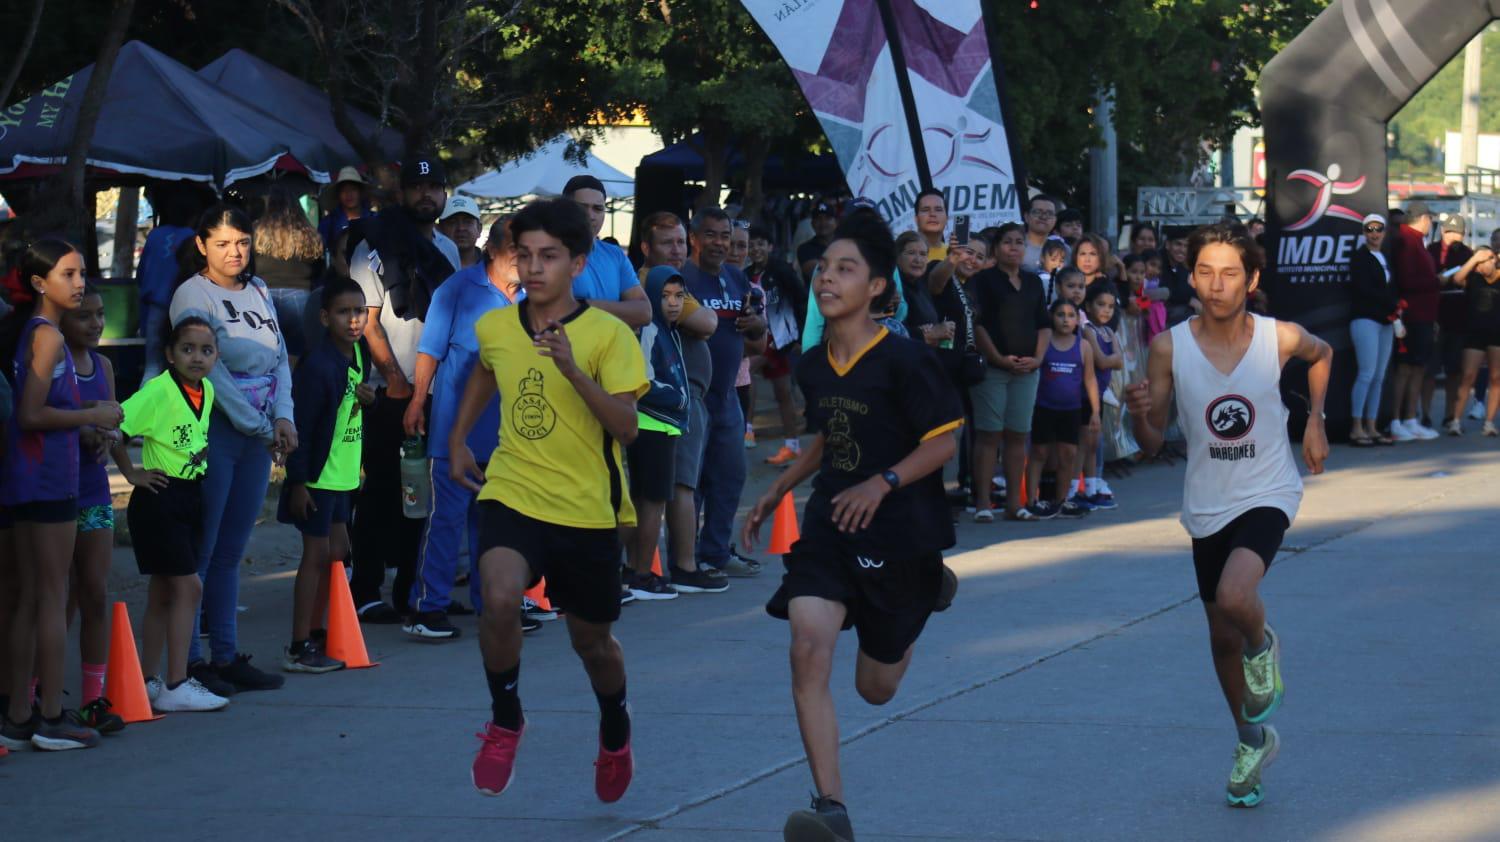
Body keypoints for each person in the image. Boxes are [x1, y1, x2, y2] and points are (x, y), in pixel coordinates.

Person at [740, 211, 963, 842]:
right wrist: (779, 488)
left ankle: (927, 587)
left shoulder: (907, 361)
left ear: (877, 287)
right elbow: (829, 435)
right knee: (807, 648)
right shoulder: (813, 365)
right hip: (831, 524)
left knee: (875, 689)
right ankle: (830, 809)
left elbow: (943, 442)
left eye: (846, 269)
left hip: (901, 532)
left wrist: (883, 481)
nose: (827, 278)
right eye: (823, 268)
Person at [1125, 222, 1331, 809]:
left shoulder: (1278, 338)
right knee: (1220, 637)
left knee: (1237, 597)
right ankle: (1251, 740)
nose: (1217, 285)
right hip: (1207, 502)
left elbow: (1323, 353)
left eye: (1230, 273)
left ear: (1251, 279)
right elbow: (1151, 443)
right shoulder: (1169, 348)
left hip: (1268, 490)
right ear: (1192, 278)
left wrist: (1315, 420)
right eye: (1206, 272)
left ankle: (1263, 646)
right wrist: (1138, 414)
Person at [448, 197, 646, 801]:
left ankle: (615, 725)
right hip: (513, 489)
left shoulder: (609, 335)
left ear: (577, 264)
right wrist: (458, 439)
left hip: (587, 508)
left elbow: (627, 428)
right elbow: (486, 369)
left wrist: (573, 371)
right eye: (525, 255)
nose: (534, 268)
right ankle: (506, 719)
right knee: (498, 596)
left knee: (592, 643)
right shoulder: (497, 327)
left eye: (549, 256)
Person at [168, 205, 297, 696]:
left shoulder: (259, 289)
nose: (234, 252)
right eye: (222, 244)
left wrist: (283, 417)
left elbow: (279, 358)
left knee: (230, 551)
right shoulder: (192, 294)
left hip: (258, 433)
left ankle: (225, 655)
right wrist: (260, 425)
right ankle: (189, 662)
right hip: (216, 431)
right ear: (202, 245)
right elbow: (211, 371)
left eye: (242, 242)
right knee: (202, 551)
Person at [0, 240, 122, 752]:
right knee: (50, 597)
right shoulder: (47, 335)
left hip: (34, 479)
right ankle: (50, 715)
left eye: (81, 273)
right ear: (38, 283)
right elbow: (30, 414)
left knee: (31, 597)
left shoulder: (38, 333)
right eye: (67, 274)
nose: (78, 283)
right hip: (46, 480)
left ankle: (19, 712)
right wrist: (92, 415)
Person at [346, 153, 461, 624]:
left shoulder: (449, 250)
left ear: (444, 193)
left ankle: (414, 589)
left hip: (437, 390)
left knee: (426, 496)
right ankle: (365, 589)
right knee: (381, 491)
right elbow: (366, 321)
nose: (426, 195)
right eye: (417, 187)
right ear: (402, 193)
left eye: (434, 188)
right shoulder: (373, 243)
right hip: (389, 391)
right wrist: (395, 380)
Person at [403, 217, 527, 636]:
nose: (522, 259)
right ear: (492, 249)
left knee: (496, 526)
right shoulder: (456, 288)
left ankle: (494, 603)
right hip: (454, 433)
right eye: (515, 250)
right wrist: (417, 401)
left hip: (509, 437)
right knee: (446, 521)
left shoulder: (531, 296)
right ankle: (427, 609)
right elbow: (430, 351)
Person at [111, 317, 229, 713]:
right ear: (170, 354)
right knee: (189, 588)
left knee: (164, 591)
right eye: (187, 349)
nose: (197, 357)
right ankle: (177, 683)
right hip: (159, 498)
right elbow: (115, 428)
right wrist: (131, 473)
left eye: (206, 350)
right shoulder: (158, 390)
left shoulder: (207, 390)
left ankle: (148, 681)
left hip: (190, 497)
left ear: (216, 356)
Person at [278, 279, 374, 672]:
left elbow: (352, 405)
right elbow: (301, 426)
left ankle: (318, 631)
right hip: (317, 479)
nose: (353, 320)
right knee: (315, 555)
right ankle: (299, 644)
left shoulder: (360, 353)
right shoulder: (317, 366)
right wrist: (298, 482)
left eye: (359, 311)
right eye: (343, 312)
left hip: (343, 475)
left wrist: (369, 399)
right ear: (324, 317)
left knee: (337, 551)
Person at [633, 213, 725, 594]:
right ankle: (672, 568)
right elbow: (707, 323)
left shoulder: (671, 283)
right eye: (667, 243)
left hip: (683, 403)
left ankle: (660, 568)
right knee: (674, 487)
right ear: (646, 247)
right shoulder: (651, 285)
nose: (677, 250)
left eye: (681, 242)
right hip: (666, 408)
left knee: (674, 486)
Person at [682, 208, 768, 578]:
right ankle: (685, 559)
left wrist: (758, 323)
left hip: (728, 395)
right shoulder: (681, 277)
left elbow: (757, 340)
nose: (720, 243)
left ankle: (716, 553)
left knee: (730, 477)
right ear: (694, 238)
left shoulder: (736, 278)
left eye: (725, 236)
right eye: (711, 235)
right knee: (691, 482)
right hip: (691, 396)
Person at [61, 289, 125, 734]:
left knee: (95, 592)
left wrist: (107, 438)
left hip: (95, 493)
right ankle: (38, 693)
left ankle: (92, 698)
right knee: (58, 597)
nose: (96, 323)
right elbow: (41, 416)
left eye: (100, 315)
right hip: (56, 494)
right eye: (84, 316)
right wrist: (83, 424)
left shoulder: (103, 366)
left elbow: (114, 420)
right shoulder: (55, 364)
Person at [969, 223, 1050, 522]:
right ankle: (982, 503)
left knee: (1018, 435)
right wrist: (998, 358)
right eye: (1007, 242)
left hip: (1027, 369)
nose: (1014, 247)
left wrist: (1038, 358)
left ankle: (1015, 504)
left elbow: (1044, 324)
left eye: (1019, 242)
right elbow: (977, 325)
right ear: (996, 248)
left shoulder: (1033, 282)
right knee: (989, 434)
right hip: (993, 368)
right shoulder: (982, 280)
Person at [623, 266, 693, 601]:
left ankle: (633, 570)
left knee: (643, 502)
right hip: (653, 425)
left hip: (659, 425)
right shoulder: (649, 330)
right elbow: (642, 380)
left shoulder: (667, 330)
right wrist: (678, 398)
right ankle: (641, 575)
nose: (673, 303)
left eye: (679, 296)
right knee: (651, 504)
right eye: (665, 296)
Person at [1022, 299, 1100, 520]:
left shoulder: (1083, 346)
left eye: (1070, 315)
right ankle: (1032, 501)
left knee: (1069, 454)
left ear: (1077, 319)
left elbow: (1090, 379)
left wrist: (1095, 411)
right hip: (1044, 407)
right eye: (1060, 315)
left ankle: (1061, 501)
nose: (1066, 320)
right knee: (1039, 453)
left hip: (1071, 410)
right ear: (1052, 317)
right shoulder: (1044, 342)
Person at [747, 224, 807, 467]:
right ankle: (792, 445)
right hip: (759, 337)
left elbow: (801, 299)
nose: (756, 249)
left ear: (770, 247)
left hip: (781, 337)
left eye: (761, 244)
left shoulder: (781, 270)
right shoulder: (745, 275)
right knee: (782, 392)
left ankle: (747, 429)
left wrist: (801, 336)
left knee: (745, 370)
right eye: (751, 245)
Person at [564, 175, 650, 328]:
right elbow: (556, 312)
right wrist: (619, 310)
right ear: (564, 209)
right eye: (582, 208)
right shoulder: (552, 254)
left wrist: (583, 305)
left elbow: (644, 312)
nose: (590, 216)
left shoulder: (615, 255)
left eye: (598, 209)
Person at [1388, 201, 1441, 441]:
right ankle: (1397, 420)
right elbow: (1407, 280)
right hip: (1412, 314)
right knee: (1405, 368)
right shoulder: (1407, 241)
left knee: (1417, 367)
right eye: (1430, 219)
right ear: (1423, 218)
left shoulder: (1414, 241)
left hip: (1422, 314)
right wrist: (1436, 281)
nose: (1431, 223)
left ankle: (1409, 418)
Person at [138, 187, 204, 381]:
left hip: (155, 307)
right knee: (184, 365)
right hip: (185, 307)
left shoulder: (155, 235)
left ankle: (147, 399)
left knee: (152, 365)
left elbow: (141, 274)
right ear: (194, 215)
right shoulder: (194, 239)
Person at [254, 185, 326, 359]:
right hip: (300, 297)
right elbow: (319, 270)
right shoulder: (309, 233)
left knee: (266, 355)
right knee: (299, 355)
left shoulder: (256, 231)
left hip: (263, 296)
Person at [1348, 214, 1398, 446]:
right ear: (1364, 232)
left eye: (1378, 229)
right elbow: (1363, 289)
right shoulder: (1359, 258)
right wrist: (1392, 304)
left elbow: (1391, 288)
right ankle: (1356, 427)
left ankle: (1372, 425)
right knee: (1366, 374)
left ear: (1384, 232)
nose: (1374, 233)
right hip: (1366, 319)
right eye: (1370, 229)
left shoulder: (1385, 257)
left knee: (1379, 376)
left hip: (1386, 321)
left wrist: (1395, 309)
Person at [1429, 215, 1474, 430]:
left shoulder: (1467, 254)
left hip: (1459, 319)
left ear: (1463, 234)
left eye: (1458, 233)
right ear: (1442, 232)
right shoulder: (1431, 250)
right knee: (1429, 370)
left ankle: (1450, 415)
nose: (1453, 236)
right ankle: (1424, 414)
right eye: (1449, 232)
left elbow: (1470, 283)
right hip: (1435, 316)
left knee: (1454, 371)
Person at [1080, 284, 1122, 509]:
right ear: (1088, 306)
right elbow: (1103, 361)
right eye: (1101, 305)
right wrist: (1112, 359)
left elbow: (1120, 362)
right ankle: (1078, 489)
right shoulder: (1088, 330)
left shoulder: (1109, 332)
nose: (1106, 310)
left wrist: (1112, 359)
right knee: (1085, 443)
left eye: (1111, 307)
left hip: (1100, 395)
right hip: (1087, 394)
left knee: (1095, 442)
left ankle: (1093, 484)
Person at [1450, 245, 1500, 435]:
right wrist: (1474, 259)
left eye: (1484, 262)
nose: (1481, 267)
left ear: (1493, 260)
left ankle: (1489, 423)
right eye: (1477, 264)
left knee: (1496, 378)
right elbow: (1457, 279)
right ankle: (1455, 421)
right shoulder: (1473, 278)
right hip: (1474, 333)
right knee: (1468, 376)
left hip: (1497, 333)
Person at [318, 166, 373, 252]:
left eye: (353, 189)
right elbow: (321, 250)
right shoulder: (328, 223)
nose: (349, 194)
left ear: (360, 192)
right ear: (338, 195)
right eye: (344, 190)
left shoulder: (374, 219)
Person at [439, 195, 484, 269]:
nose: (461, 228)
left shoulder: (492, 266)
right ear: (440, 229)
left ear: (479, 229)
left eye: (468, 222)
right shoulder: (429, 266)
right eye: (452, 222)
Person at [798, 201, 837, 281]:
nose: (823, 223)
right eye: (818, 219)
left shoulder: (845, 245)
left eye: (827, 218)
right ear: (812, 224)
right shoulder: (804, 249)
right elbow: (816, 272)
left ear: (836, 222)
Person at [1021, 194, 1060, 272]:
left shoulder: (1063, 249)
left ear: (1055, 220)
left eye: (1049, 213)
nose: (1043, 217)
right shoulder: (1015, 246)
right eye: (1037, 212)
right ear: (1026, 217)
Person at [914, 188, 949, 261]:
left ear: (947, 218)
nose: (932, 214)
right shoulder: (900, 253)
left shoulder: (956, 255)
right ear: (916, 219)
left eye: (938, 210)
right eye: (925, 210)